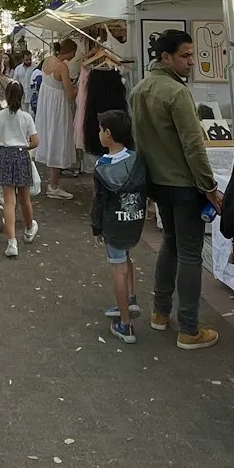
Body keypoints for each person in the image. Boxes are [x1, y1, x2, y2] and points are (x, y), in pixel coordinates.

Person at [130, 28, 222, 350]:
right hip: (182, 184)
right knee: (190, 252)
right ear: (166, 57)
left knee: (171, 243)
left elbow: (140, 140)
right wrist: (209, 186)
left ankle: (160, 312)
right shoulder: (176, 92)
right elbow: (193, 145)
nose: (191, 62)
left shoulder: (140, 89)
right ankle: (188, 327)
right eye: (185, 56)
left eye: (192, 55)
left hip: (157, 182)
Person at [90, 109, 148, 344]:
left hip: (114, 222)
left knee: (118, 268)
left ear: (109, 134)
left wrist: (96, 226)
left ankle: (125, 323)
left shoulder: (102, 166)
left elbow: (99, 201)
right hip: (135, 219)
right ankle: (131, 299)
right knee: (126, 259)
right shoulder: (136, 159)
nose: (99, 133)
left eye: (101, 130)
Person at [0, 79, 39, 258]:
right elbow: (35, 141)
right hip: (21, 155)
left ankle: (12, 242)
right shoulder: (26, 117)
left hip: (5, 155)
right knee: (25, 198)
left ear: (6, 96)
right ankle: (29, 227)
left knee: (9, 201)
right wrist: (24, 146)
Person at [34, 39, 79, 198]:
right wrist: (82, 86)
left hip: (47, 105)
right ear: (70, 51)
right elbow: (69, 94)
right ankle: (53, 186)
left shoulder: (47, 60)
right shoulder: (62, 67)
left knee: (50, 138)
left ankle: (52, 183)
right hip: (58, 107)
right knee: (58, 140)